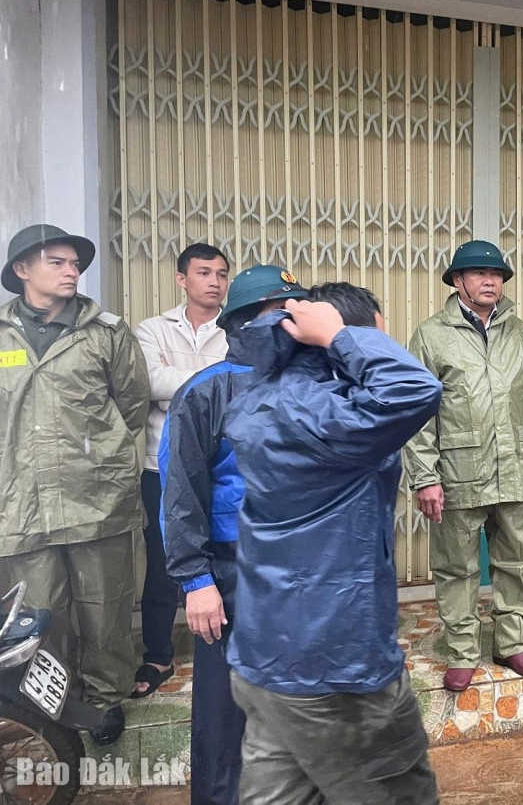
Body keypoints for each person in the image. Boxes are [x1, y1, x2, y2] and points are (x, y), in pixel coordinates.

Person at [222, 284, 442, 804]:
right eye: (378, 335)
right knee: (396, 792)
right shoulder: (326, 416)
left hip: (267, 658)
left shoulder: (265, 397)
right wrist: (342, 335)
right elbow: (414, 389)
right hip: (334, 670)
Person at [160, 266, 307, 805]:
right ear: (247, 322)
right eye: (283, 312)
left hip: (296, 566)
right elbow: (179, 495)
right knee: (226, 710)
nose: (296, 321)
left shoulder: (308, 385)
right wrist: (195, 580)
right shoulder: (206, 392)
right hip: (229, 568)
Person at [0, 224, 149, 745]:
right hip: (20, 499)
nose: (71, 271)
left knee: (105, 605)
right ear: (22, 270)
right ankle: (52, 706)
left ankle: (106, 698)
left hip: (96, 494)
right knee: (39, 611)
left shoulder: (106, 331)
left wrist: (104, 460)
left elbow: (132, 405)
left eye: (74, 263)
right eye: (57, 262)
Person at [404, 240, 523, 691]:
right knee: (457, 567)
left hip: (512, 471)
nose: (490, 281)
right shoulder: (431, 335)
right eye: (478, 274)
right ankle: (462, 651)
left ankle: (511, 644)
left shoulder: (521, 334)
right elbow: (418, 413)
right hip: (457, 476)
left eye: (496, 275)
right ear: (458, 281)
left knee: (516, 561)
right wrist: (425, 477)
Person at [132, 243, 231, 699]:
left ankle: (220, 640)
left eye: (222, 274)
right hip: (160, 467)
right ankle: (158, 654)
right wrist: (215, 377)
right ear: (181, 279)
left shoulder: (235, 329)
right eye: (204, 272)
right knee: (162, 563)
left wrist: (183, 375)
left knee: (221, 559)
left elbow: (238, 385)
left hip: (219, 471)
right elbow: (149, 383)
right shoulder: (151, 329)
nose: (215, 281)